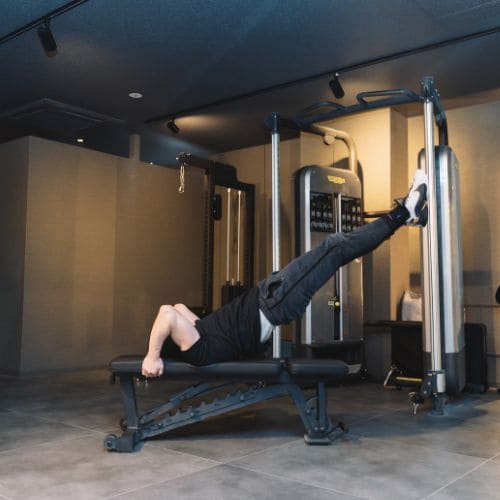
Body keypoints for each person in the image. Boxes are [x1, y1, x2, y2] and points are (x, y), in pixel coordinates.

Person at [141, 170, 428, 377]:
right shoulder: (196, 350)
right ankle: (404, 213)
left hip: (271, 296)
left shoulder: (198, 334)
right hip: (275, 301)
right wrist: (151, 356)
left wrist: (161, 345)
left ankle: (407, 214)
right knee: (336, 247)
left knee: (336, 249)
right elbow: (166, 313)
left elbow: (178, 308)